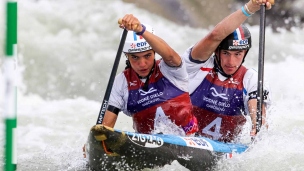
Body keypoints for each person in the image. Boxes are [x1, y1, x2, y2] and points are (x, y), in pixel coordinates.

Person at [183, 0, 272, 142]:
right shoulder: (197, 65)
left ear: (245, 54)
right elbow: (215, 35)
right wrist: (250, 7)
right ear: (216, 51)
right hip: (185, 140)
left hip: (225, 152)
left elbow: (257, 108)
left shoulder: (251, 79)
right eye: (226, 53)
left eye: (238, 54)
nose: (231, 62)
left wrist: (257, 125)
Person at [102, 14, 198, 136]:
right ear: (127, 56)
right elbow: (106, 126)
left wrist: (140, 30)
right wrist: (97, 140)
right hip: (148, 148)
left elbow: (169, 55)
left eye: (147, 56)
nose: (142, 64)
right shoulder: (121, 82)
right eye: (135, 57)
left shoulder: (170, 69)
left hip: (189, 141)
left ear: (155, 52)